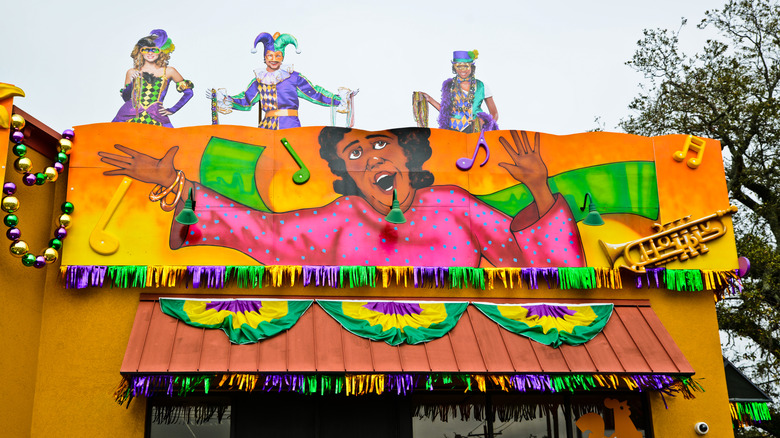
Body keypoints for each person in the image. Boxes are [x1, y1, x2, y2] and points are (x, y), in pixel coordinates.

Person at [98, 128, 583, 268]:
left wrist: (541, 187)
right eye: (356, 151)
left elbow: (533, 262)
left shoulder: (454, 203)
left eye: (381, 146)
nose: (372, 158)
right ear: (346, 171)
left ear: (406, 154)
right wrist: (177, 184)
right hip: (347, 350)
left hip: (465, 354)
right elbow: (265, 233)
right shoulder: (339, 217)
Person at [213, 32, 354, 130]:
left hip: (289, 125)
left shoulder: (293, 77)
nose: (273, 59)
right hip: (266, 126)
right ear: (265, 57)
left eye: (278, 56)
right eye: (270, 55)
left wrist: (339, 99)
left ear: (282, 57)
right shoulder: (259, 80)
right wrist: (224, 99)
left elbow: (315, 93)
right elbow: (246, 100)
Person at [112, 29, 193, 127]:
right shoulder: (132, 72)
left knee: (166, 141)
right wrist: (132, 83)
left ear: (161, 51)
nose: (150, 53)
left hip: (156, 116)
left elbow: (189, 92)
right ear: (140, 52)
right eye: (146, 50)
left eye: (154, 49)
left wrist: (172, 109)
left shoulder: (169, 71)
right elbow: (126, 98)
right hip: (128, 116)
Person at [418, 50, 498, 132]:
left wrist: (484, 122)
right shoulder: (450, 86)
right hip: (453, 130)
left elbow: (494, 113)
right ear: (454, 67)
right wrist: (430, 99)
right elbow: (445, 111)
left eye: (466, 66)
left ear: (471, 67)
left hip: (475, 130)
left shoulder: (482, 86)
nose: (462, 70)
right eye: (459, 66)